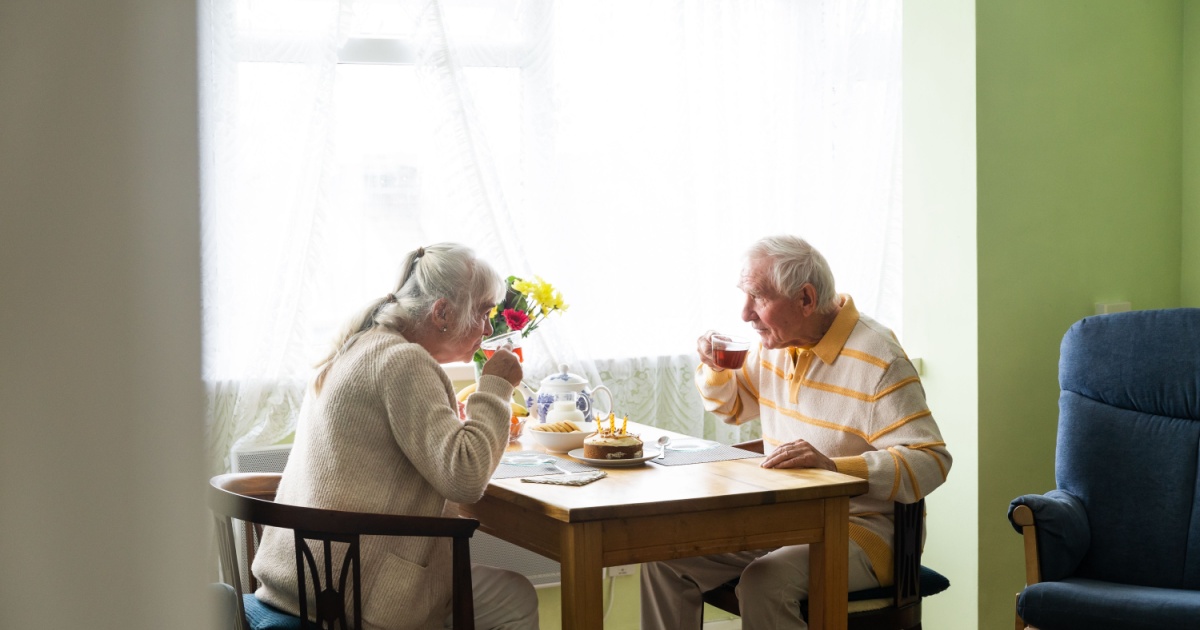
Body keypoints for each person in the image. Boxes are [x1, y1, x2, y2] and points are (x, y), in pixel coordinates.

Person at [641, 235, 951, 630]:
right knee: (665, 558)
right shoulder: (775, 344)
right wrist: (717, 368)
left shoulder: (878, 357)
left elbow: (931, 460)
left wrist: (834, 467)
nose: (744, 313)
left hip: (864, 531)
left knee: (764, 581)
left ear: (805, 299)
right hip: (788, 521)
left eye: (758, 298)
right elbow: (734, 408)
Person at [252, 243, 539, 630]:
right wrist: (496, 387)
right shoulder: (404, 361)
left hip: (301, 580)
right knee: (515, 598)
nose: (489, 329)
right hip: (353, 593)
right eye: (484, 312)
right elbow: (466, 478)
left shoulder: (359, 344)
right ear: (442, 313)